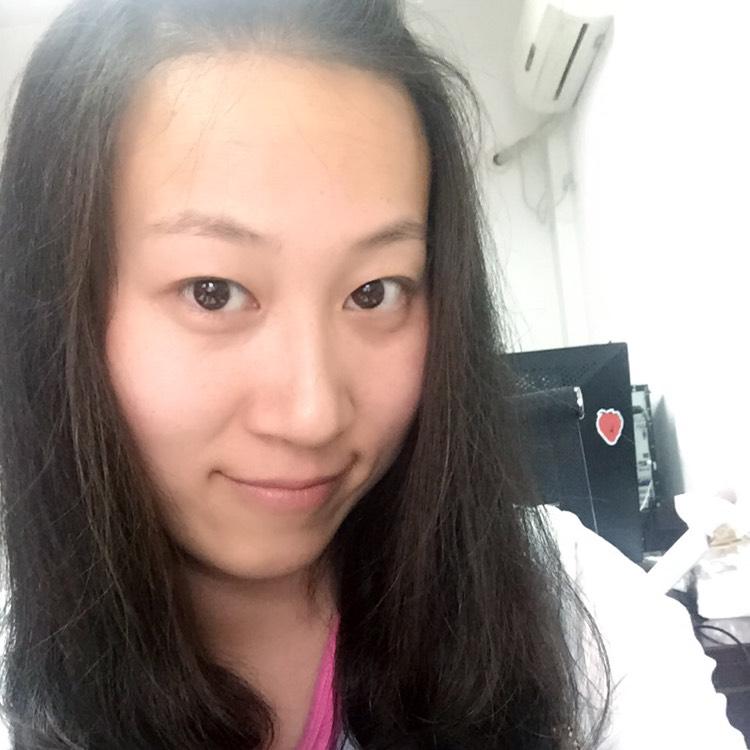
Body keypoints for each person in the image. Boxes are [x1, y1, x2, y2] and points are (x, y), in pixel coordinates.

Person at [0, 1, 744, 748]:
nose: (313, 415)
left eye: (374, 292)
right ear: (58, 309)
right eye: (212, 291)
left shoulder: (573, 610)